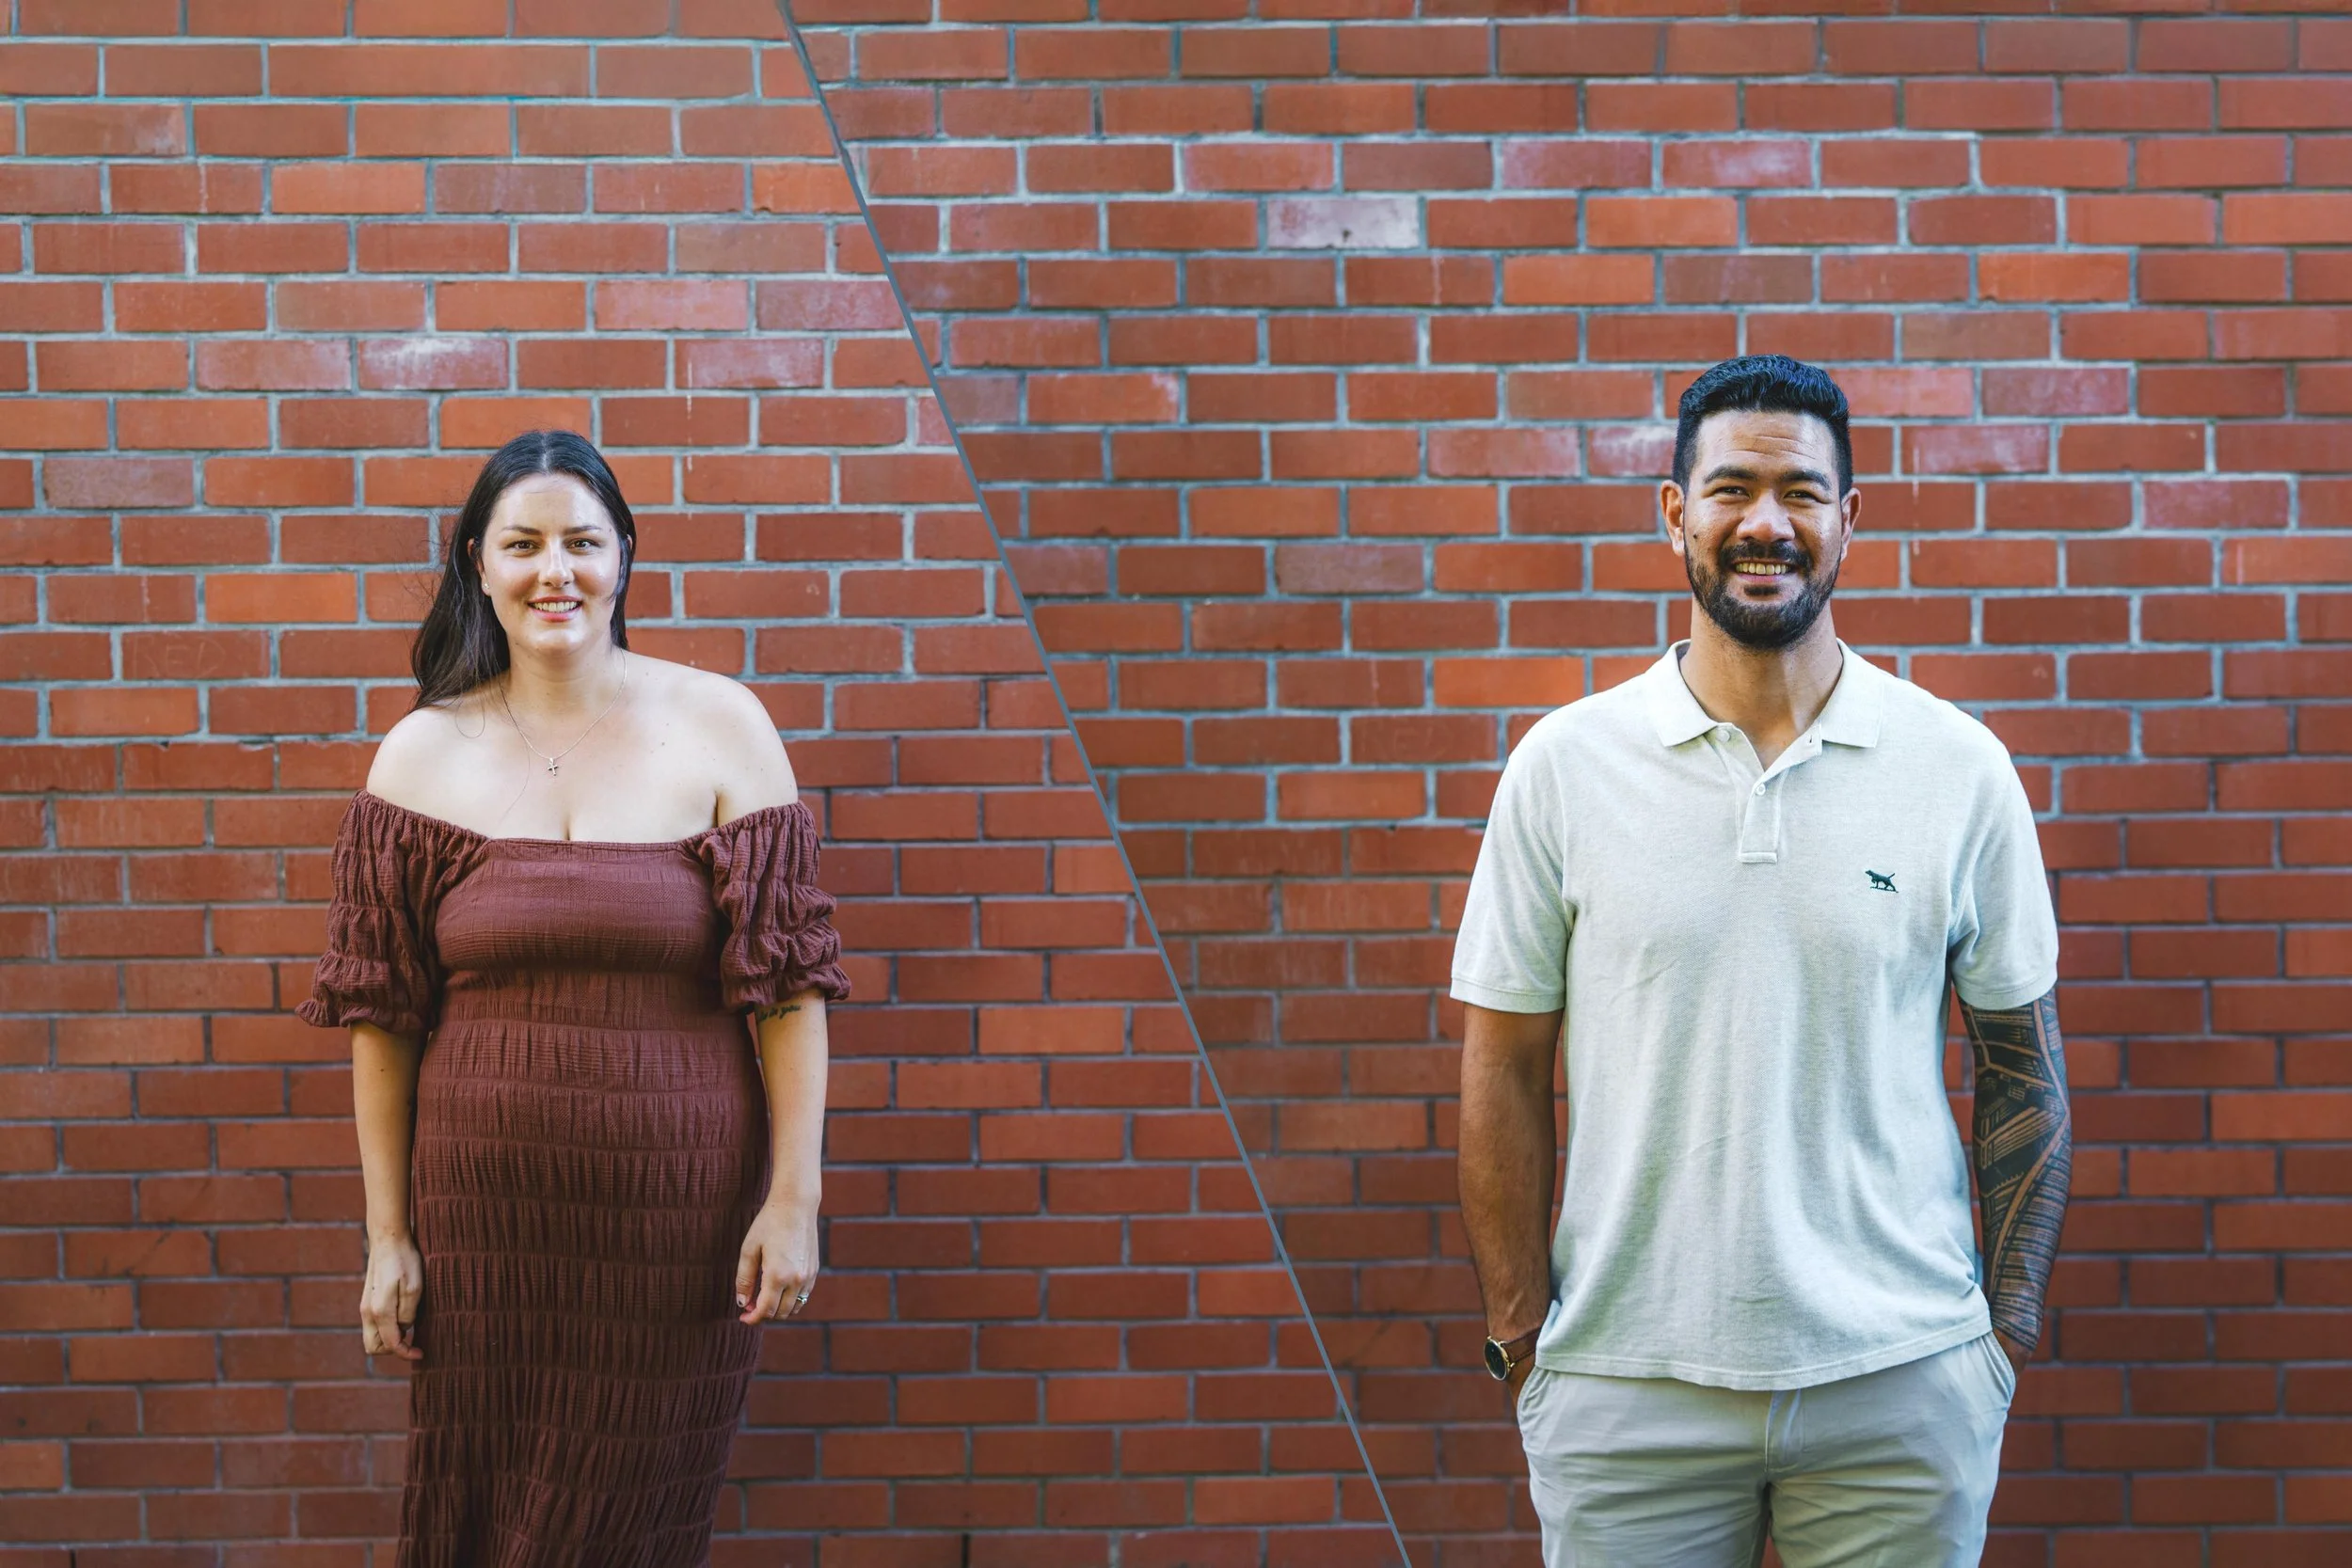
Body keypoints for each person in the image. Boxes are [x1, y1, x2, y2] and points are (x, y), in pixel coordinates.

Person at [1454, 356, 2069, 1566]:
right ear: (1675, 512)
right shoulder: (1565, 766)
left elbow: (2023, 1067)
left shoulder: (1955, 766)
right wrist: (1522, 1336)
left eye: (1801, 489)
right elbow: (1504, 1065)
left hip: (1899, 1379)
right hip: (1627, 1384)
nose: (1766, 522)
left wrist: (1998, 1340)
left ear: (1851, 517)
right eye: (1731, 487)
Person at [295, 429, 850, 1566]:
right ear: (478, 563)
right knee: (484, 1509)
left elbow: (788, 989)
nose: (558, 570)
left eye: (583, 542)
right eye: (525, 544)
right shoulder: (420, 754)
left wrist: (794, 1199)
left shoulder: (721, 725)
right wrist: (388, 1236)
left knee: (639, 1518)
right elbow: (381, 1015)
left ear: (625, 556)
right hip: (488, 1229)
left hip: (678, 1224)